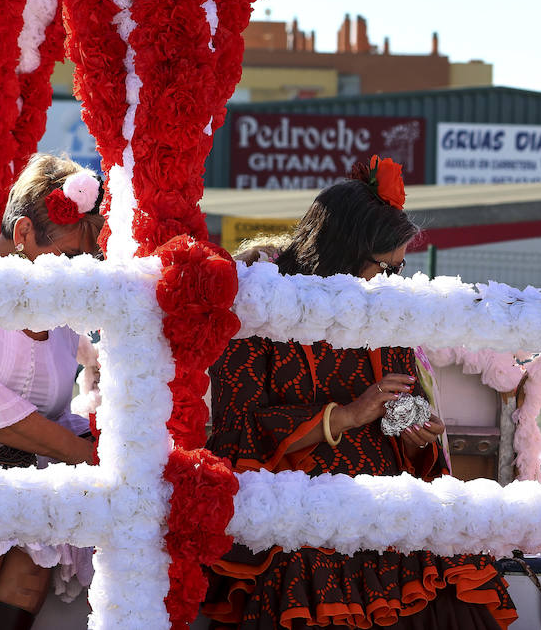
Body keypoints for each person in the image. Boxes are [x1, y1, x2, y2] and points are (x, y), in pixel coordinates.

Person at [202, 156, 516, 630]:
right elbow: (234, 435)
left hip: (386, 495)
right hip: (301, 504)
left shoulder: (382, 310)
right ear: (342, 249)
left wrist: (416, 433)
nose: (391, 282)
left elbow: (397, 402)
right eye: (383, 268)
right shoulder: (260, 308)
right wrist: (344, 416)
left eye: (399, 268)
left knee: (453, 580)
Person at [0, 154, 104, 628]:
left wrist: (101, 436)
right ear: (22, 234)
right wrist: (81, 454)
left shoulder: (57, 311)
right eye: (70, 256)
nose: (79, 270)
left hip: (31, 481)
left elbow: (51, 410)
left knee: (29, 575)